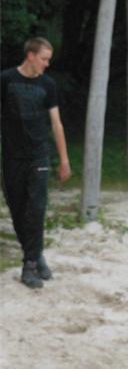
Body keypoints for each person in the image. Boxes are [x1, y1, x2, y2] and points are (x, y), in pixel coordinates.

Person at [1, 37, 72, 288]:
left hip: (39, 154)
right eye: (44, 59)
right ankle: (36, 254)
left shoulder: (47, 84)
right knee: (18, 209)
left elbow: (56, 124)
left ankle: (29, 265)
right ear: (30, 56)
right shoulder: (6, 80)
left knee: (36, 208)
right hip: (12, 156)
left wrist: (64, 160)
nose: (46, 64)